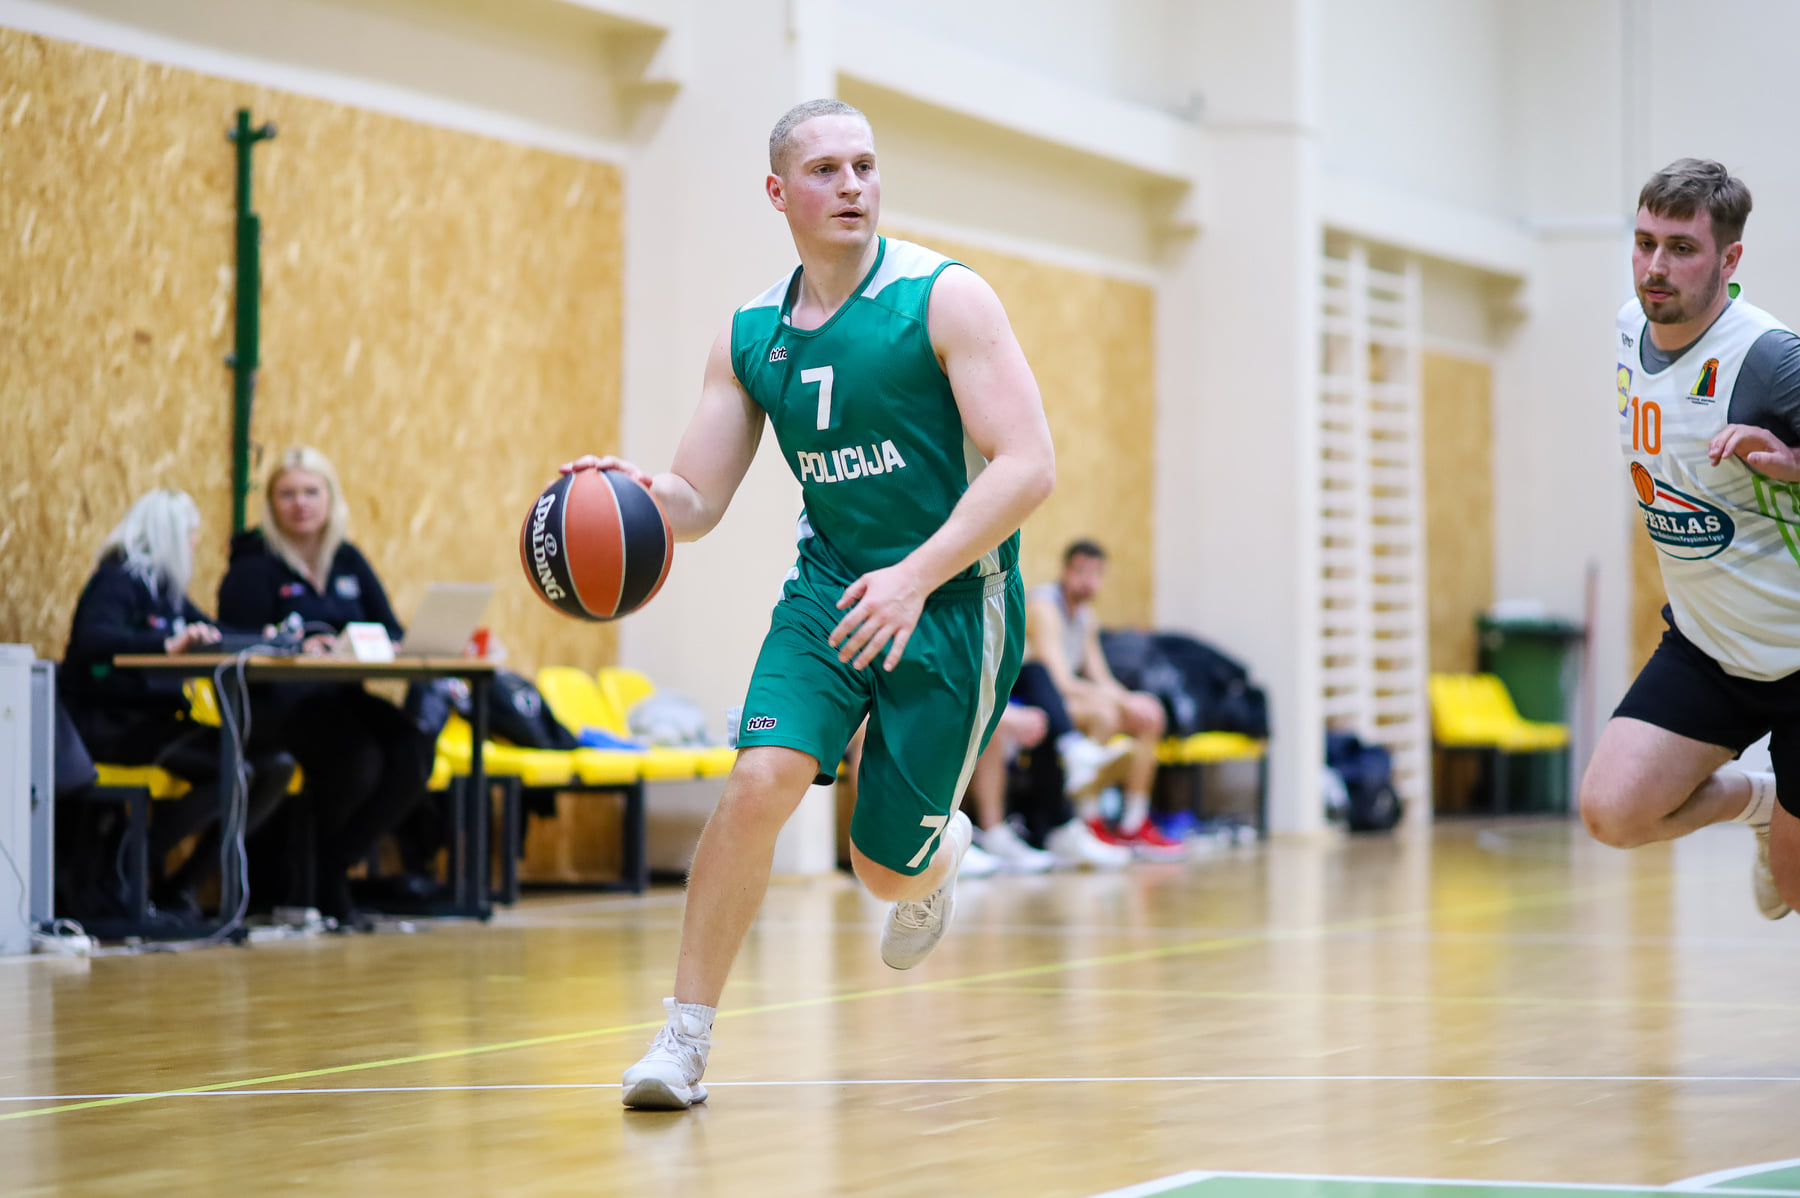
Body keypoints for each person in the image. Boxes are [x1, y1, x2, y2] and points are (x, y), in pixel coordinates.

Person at [569, 98, 1056, 1110]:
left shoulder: (944, 299)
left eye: (865, 166)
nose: (852, 186)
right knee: (759, 780)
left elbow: (1028, 466)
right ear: (778, 191)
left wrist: (915, 576)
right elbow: (696, 501)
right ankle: (682, 1041)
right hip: (831, 590)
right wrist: (630, 497)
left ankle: (933, 854)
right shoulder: (750, 335)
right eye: (827, 170)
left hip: (955, 601)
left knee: (879, 872)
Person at [1580, 158, 1800, 921]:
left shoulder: (1769, 358)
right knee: (1612, 811)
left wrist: (1795, 467)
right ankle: (1761, 801)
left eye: (1681, 248)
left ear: (1729, 259)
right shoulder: (1626, 328)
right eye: (1645, 243)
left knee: (1795, 890)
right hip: (1710, 646)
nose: (1655, 267)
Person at [217, 446, 434, 926]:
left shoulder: (347, 559)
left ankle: (334, 863)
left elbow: (389, 627)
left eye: (311, 492)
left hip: (342, 695)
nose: (301, 503)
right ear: (272, 503)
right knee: (357, 757)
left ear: (330, 498)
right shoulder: (254, 565)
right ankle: (319, 880)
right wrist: (297, 645)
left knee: (412, 748)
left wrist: (384, 644)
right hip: (280, 704)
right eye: (288, 494)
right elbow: (236, 639)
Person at [60, 489, 295, 919]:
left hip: (160, 724)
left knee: (274, 766)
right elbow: (92, 639)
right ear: (171, 535)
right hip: (113, 726)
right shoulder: (117, 581)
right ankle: (127, 867)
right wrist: (165, 644)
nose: (196, 543)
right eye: (191, 534)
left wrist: (273, 640)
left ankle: (183, 884)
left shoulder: (166, 591)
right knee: (232, 770)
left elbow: (213, 633)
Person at [1025, 540, 1185, 860]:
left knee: (1150, 714)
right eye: (1081, 571)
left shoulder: (1086, 615)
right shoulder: (1044, 607)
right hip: (1036, 698)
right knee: (1105, 714)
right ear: (1065, 571)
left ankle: (1134, 822)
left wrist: (1131, 700)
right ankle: (1089, 821)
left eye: (1096, 574)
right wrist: (1121, 703)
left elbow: (1100, 676)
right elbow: (1058, 681)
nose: (1088, 581)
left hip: (1068, 696)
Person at [964, 671, 1131, 872]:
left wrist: (1120, 699)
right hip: (973, 696)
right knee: (1013, 719)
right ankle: (976, 834)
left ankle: (1076, 827)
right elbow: (1064, 681)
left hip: (1004, 695)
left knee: (1066, 717)